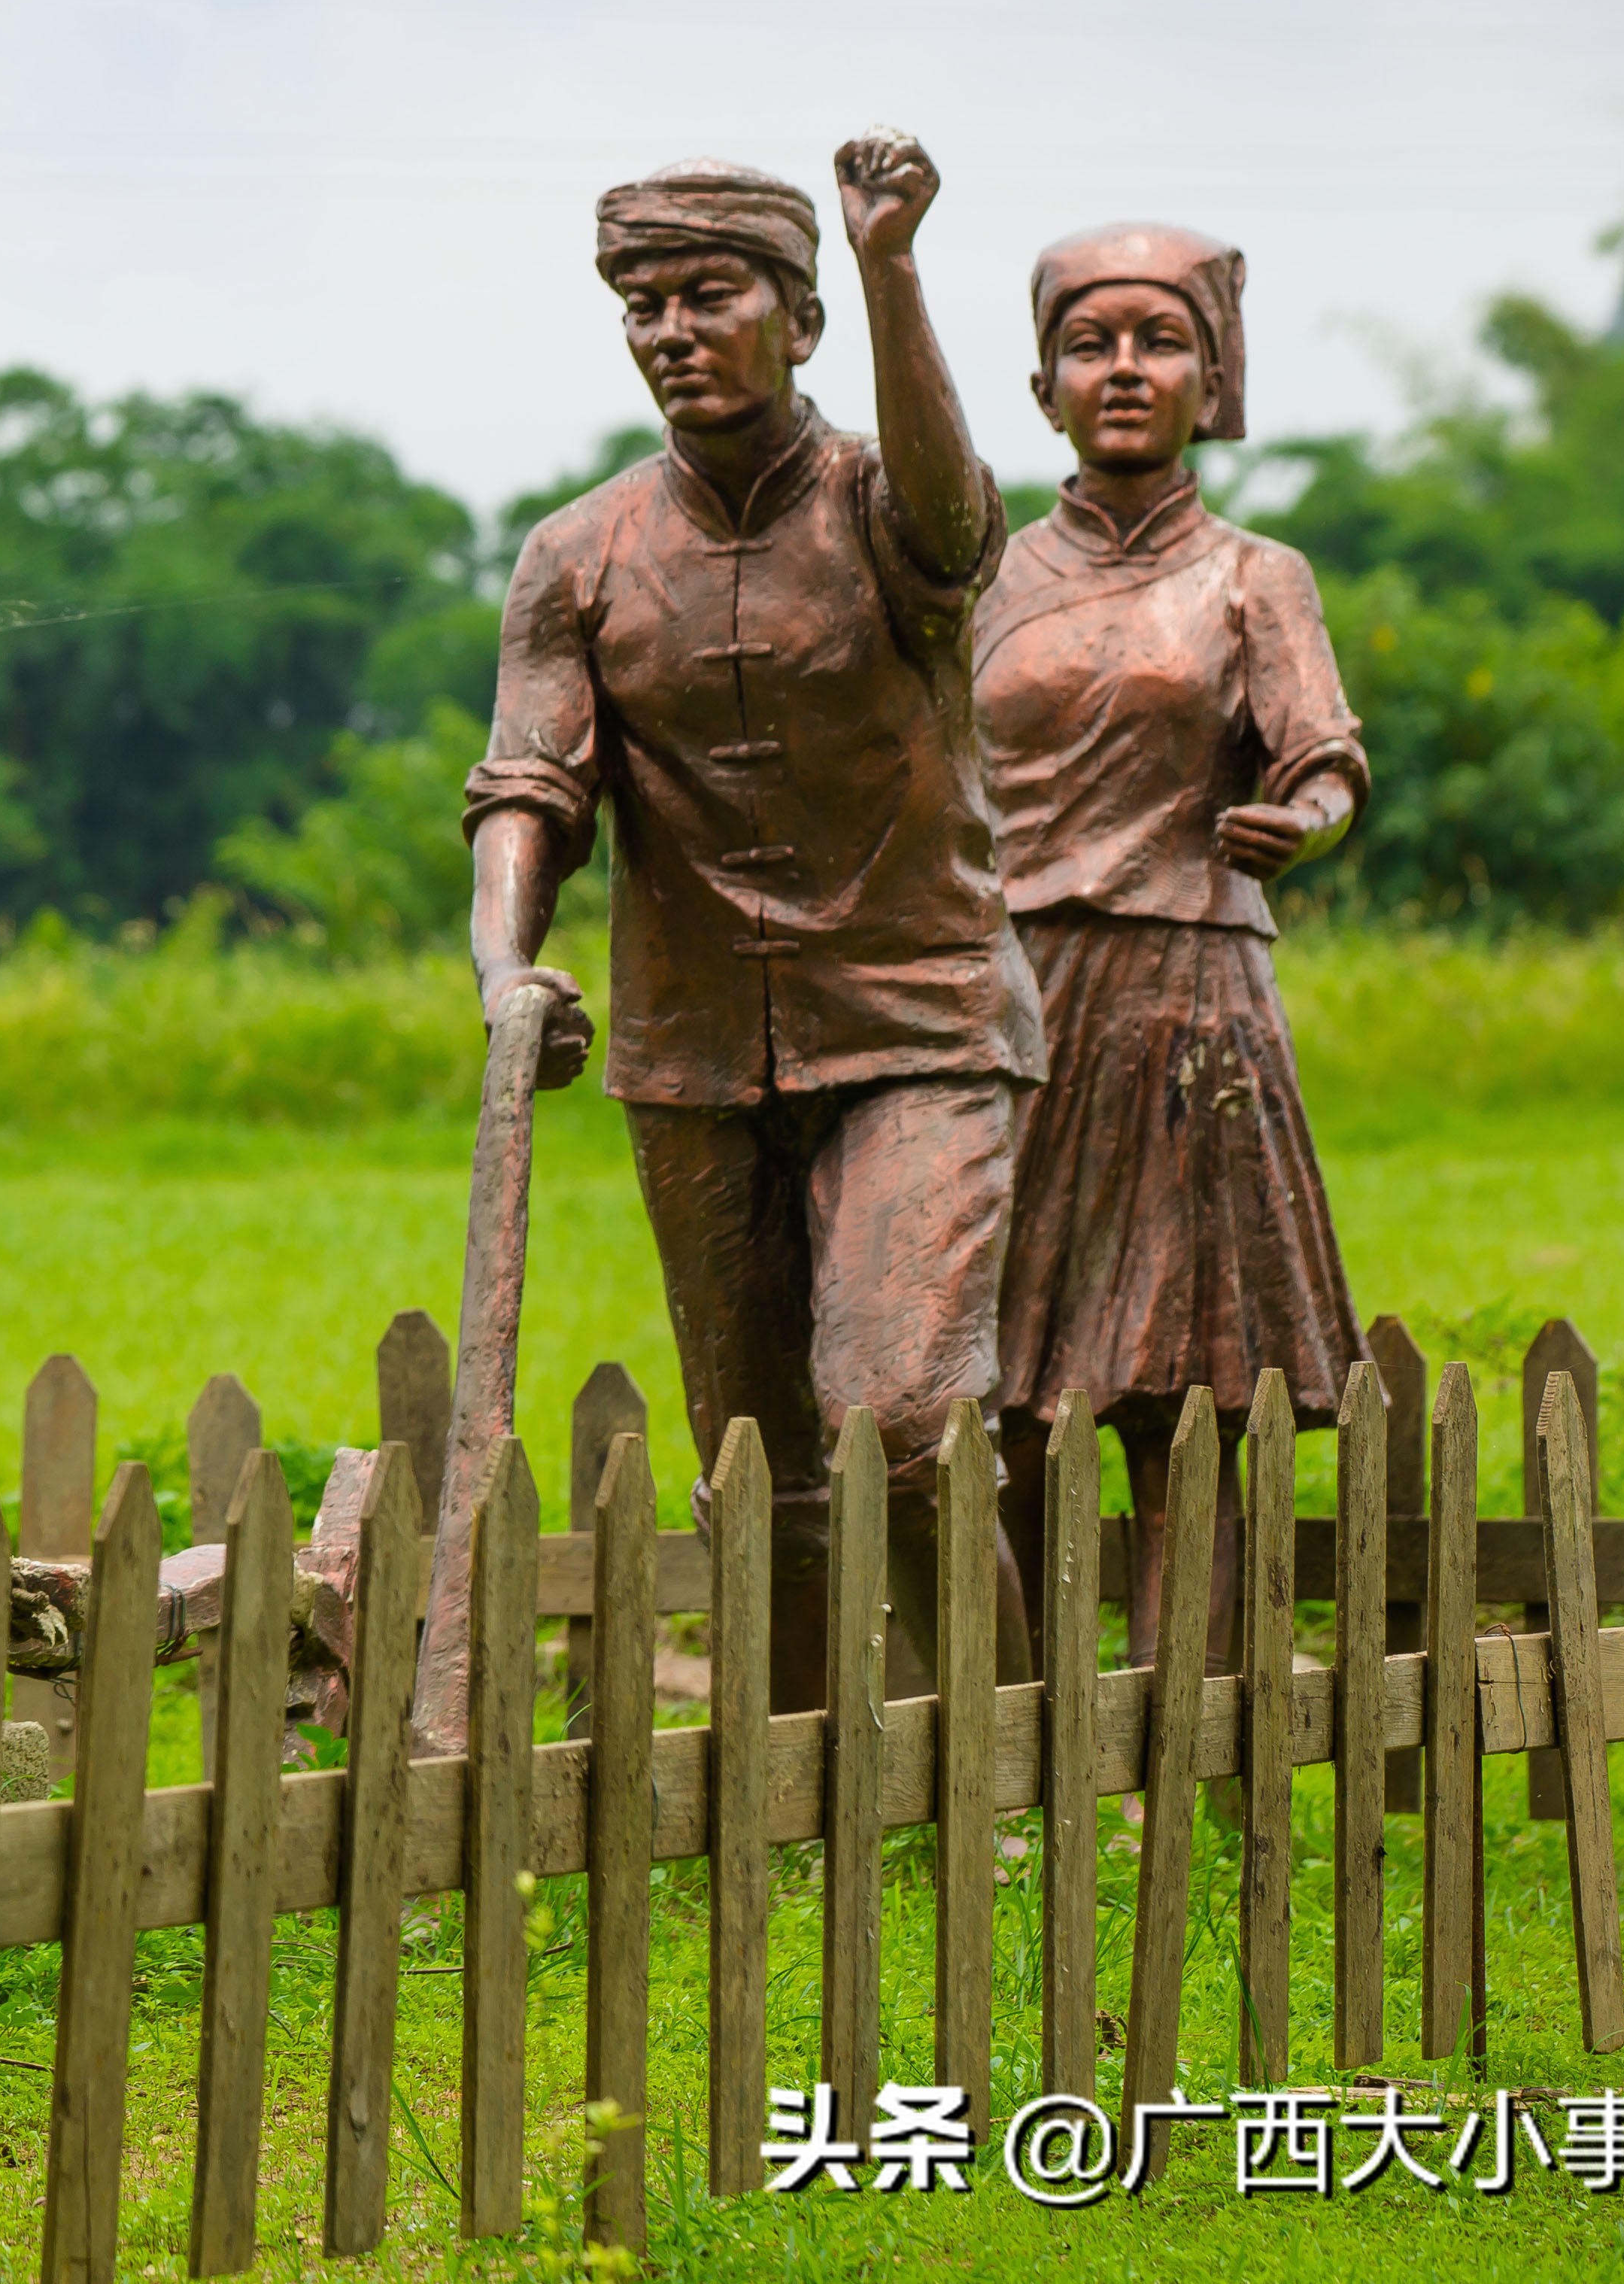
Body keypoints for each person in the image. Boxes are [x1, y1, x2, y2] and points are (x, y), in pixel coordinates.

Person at [466, 137, 1043, 1714]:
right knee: (757, 1459)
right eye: (641, 305)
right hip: (696, 1049)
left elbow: (954, 523)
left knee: (906, 1412)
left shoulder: (878, 504)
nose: (670, 329)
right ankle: (785, 1785)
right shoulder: (576, 556)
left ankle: (1002, 1748)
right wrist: (506, 964)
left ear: (795, 320)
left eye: (708, 294)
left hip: (919, 1023)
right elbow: (529, 781)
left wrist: (892, 267)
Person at [976, 222, 1367, 1667]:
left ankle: (1189, 1710)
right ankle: (1012, 1713)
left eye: (1160, 342)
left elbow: (1323, 753)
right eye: (1093, 344)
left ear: (1213, 376)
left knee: (1194, 1364)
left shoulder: (1259, 577)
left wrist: (1303, 819)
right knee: (998, 1364)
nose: (1125, 370)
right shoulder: (987, 579)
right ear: (1044, 386)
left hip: (1197, 991)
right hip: (1014, 997)